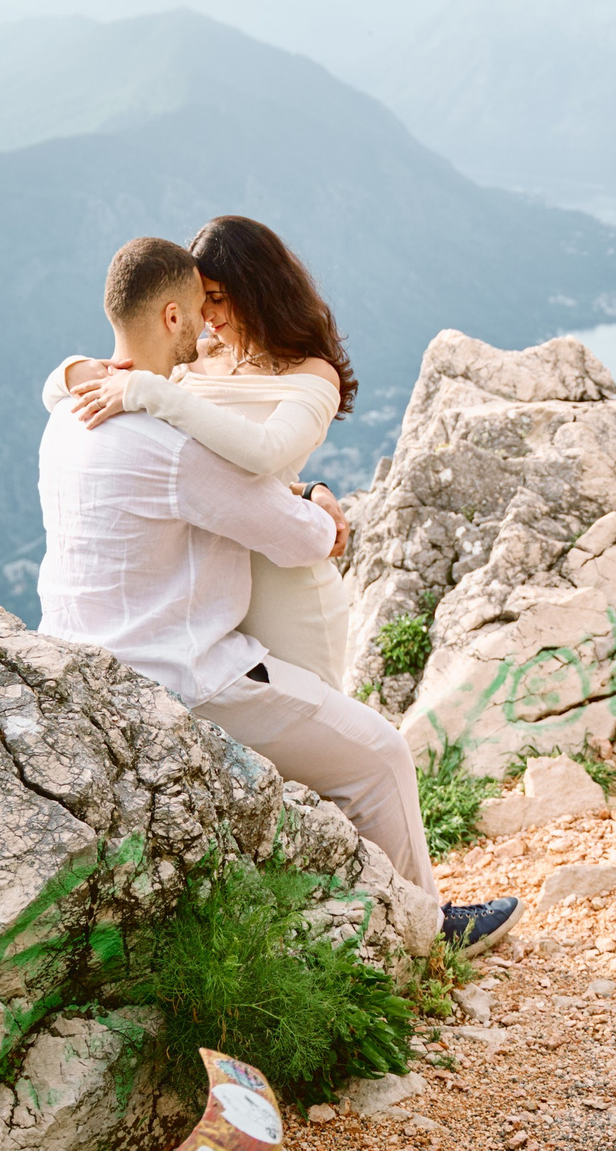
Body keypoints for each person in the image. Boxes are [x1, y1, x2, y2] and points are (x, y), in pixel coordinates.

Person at [35, 234, 519, 954]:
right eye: (201, 310)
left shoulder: (68, 417)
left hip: (79, 670)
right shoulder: (173, 446)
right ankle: (424, 934)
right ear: (172, 316)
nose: (208, 330)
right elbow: (296, 537)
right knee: (379, 755)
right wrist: (321, 508)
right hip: (184, 677)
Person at [47, 215, 357, 688]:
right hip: (205, 598)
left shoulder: (312, 374)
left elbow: (263, 453)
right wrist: (81, 369)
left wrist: (152, 391)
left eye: (217, 298)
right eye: (201, 301)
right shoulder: (197, 355)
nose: (207, 315)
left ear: (258, 289)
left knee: (311, 743)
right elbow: (55, 394)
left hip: (282, 583)